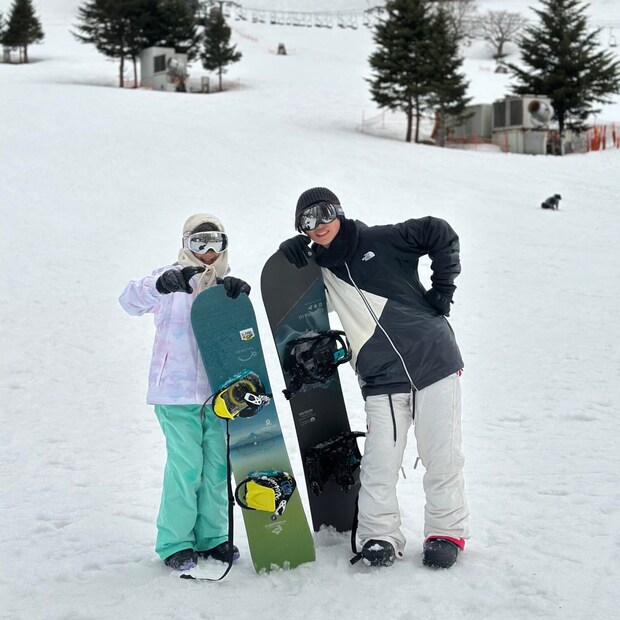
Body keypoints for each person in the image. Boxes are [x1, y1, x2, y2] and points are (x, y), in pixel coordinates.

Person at [279, 188, 470, 569]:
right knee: (380, 463)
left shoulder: (380, 240)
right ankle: (378, 534)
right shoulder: (321, 272)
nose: (318, 225)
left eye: (323, 214)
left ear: (338, 212)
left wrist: (442, 292)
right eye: (306, 221)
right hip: (381, 377)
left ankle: (445, 532)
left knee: (441, 455)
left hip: (433, 359)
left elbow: (439, 231)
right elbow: (295, 300)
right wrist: (289, 258)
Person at [119, 213, 251, 571]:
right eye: (198, 242)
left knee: (216, 467)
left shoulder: (224, 286)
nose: (207, 251)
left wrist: (239, 305)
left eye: (215, 242)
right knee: (186, 466)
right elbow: (128, 301)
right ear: (185, 244)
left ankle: (213, 537)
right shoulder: (169, 279)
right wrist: (160, 285)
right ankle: (175, 542)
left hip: (217, 394)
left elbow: (241, 339)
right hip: (175, 394)